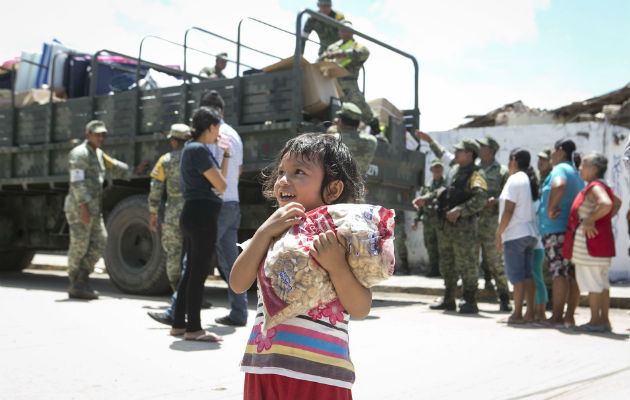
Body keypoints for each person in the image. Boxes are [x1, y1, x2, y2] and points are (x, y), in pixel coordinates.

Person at [230, 133, 368, 399]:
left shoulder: (343, 239)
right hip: (265, 367)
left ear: (333, 189)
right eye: (281, 171)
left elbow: (360, 308)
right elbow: (237, 284)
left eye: (298, 172)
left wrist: (337, 266)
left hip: (323, 374)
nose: (283, 179)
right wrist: (262, 233)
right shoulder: (272, 234)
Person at [65, 120, 148, 299]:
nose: (101, 138)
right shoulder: (79, 154)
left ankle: (82, 279)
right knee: (79, 246)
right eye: (97, 134)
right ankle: (74, 282)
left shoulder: (99, 154)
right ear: (88, 135)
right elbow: (77, 182)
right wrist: (83, 207)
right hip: (80, 208)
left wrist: (135, 170)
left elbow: (116, 167)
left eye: (103, 135)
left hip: (93, 208)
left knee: (101, 241)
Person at [169, 107, 229, 342]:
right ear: (211, 127)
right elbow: (222, 186)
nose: (218, 133)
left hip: (193, 214)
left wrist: (226, 155)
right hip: (202, 215)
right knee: (198, 272)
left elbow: (219, 183)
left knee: (191, 271)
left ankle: (178, 324)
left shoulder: (192, 148)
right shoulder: (198, 150)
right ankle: (194, 328)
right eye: (218, 128)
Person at [417, 137, 488, 313]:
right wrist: (425, 199)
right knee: (447, 264)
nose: (455, 153)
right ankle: (449, 299)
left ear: (470, 154)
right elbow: (442, 191)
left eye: (459, 150)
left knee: (467, 264)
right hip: (446, 227)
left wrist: (460, 210)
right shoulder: (455, 170)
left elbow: (481, 199)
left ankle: (470, 300)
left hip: (464, 229)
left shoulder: (476, 175)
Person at [200, 90, 249, 327]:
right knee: (231, 262)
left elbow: (212, 171)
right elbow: (236, 171)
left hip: (217, 203)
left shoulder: (214, 134)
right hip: (233, 202)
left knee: (195, 255)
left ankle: (176, 308)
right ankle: (239, 312)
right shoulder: (235, 135)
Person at [563, 152, 621, 332]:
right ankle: (603, 320)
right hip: (600, 244)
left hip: (590, 246)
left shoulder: (595, 187)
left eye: (584, 165)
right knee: (601, 283)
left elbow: (606, 204)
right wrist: (601, 220)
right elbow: (616, 203)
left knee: (594, 283)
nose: (580, 168)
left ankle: (595, 321)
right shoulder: (603, 186)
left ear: (594, 169)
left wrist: (589, 220)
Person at [537, 138, 584, 328]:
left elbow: (558, 185)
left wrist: (550, 208)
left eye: (552, 152)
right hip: (571, 229)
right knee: (572, 274)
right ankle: (569, 317)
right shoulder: (576, 172)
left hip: (556, 230)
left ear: (560, 150)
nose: (551, 157)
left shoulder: (560, 169)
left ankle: (556, 316)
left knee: (559, 273)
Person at [495, 149, 539, 324]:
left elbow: (508, 209)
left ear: (513, 160)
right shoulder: (527, 179)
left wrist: (499, 233)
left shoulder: (514, 179)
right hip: (529, 233)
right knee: (528, 275)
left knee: (517, 277)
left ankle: (517, 314)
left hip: (515, 234)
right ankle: (530, 313)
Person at [147, 124, 189, 292]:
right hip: (192, 211)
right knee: (193, 252)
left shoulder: (164, 161)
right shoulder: (194, 157)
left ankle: (176, 291)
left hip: (173, 213)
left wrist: (152, 213)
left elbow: (155, 189)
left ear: (173, 141)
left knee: (173, 252)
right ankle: (192, 293)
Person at [318, 20, 380, 135]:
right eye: (342, 30)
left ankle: (376, 129)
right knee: (329, 108)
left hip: (349, 82)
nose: (345, 33)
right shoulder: (333, 47)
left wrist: (343, 54)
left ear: (352, 33)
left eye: (348, 31)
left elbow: (364, 53)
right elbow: (320, 60)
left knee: (360, 106)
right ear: (339, 32)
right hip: (332, 82)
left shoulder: (357, 46)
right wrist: (326, 57)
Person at [475, 136, 511, 311]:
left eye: (482, 147)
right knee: (471, 262)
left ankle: (504, 298)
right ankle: (469, 298)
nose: (479, 149)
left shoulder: (502, 171)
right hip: (473, 223)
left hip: (491, 224)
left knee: (496, 262)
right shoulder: (475, 169)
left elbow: (508, 197)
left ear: (491, 150)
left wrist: (495, 201)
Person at [412, 158, 445, 277]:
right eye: (435, 167)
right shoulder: (426, 186)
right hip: (428, 220)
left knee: (442, 246)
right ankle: (434, 269)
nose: (437, 170)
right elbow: (420, 205)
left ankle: (443, 270)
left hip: (441, 221)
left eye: (439, 167)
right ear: (431, 169)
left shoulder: (445, 184)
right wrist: (416, 219)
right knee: (430, 245)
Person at [330, 101, 377, 176]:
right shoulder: (372, 141)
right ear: (358, 124)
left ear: (341, 121)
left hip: (338, 184)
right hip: (357, 185)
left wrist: (336, 127)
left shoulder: (333, 139)